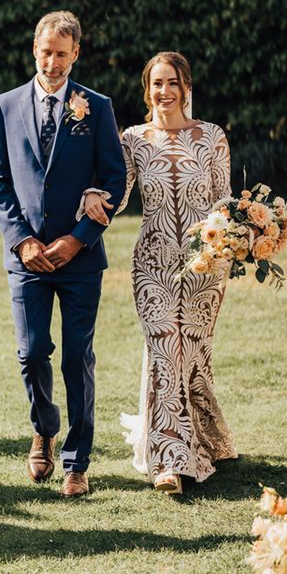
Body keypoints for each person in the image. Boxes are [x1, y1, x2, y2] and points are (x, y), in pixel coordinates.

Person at [0, 10, 126, 497]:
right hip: (26, 258)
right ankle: (44, 428)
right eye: (46, 51)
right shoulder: (4, 106)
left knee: (76, 357)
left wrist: (77, 237)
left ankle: (76, 462)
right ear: (34, 50)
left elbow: (114, 178)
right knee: (31, 352)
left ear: (75, 54)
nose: (52, 61)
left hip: (80, 260)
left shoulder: (96, 107)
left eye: (62, 53)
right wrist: (22, 240)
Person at [83, 51, 236, 495]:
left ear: (186, 87)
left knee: (191, 356)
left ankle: (209, 437)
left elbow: (224, 201)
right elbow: (120, 191)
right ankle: (171, 461)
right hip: (152, 263)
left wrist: (244, 231)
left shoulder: (211, 137)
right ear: (146, 90)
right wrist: (93, 197)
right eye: (156, 84)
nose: (163, 91)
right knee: (166, 349)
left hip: (205, 267)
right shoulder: (133, 139)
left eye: (171, 82)